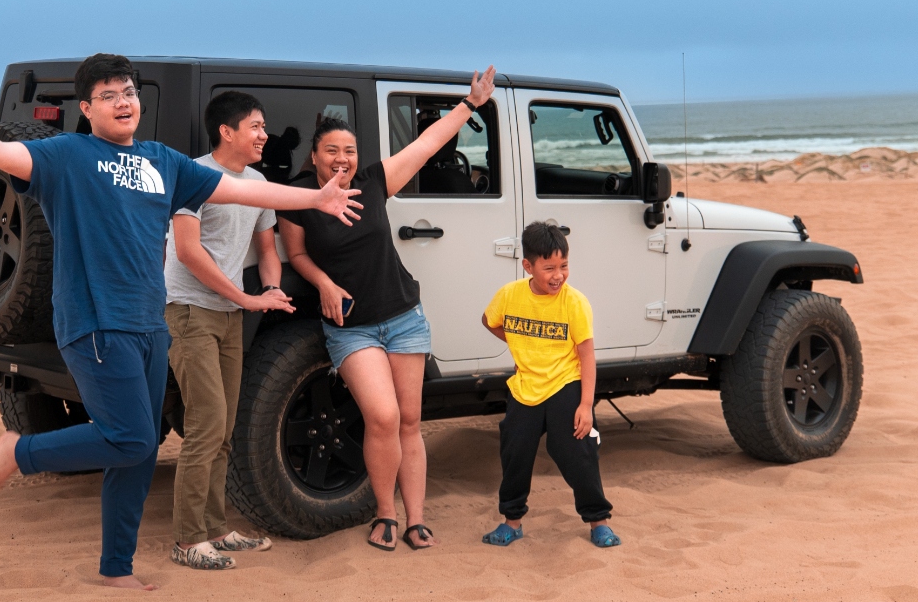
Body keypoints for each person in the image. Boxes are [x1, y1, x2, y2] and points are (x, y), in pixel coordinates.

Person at [0, 54, 362, 590]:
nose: (122, 102)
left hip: (150, 323)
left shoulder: (162, 161)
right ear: (86, 109)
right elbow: (1, 152)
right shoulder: (68, 155)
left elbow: (243, 190)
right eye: (108, 95)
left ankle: (115, 568)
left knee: (139, 451)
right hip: (95, 322)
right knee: (129, 438)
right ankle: (20, 451)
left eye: (128, 92)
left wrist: (316, 197)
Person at [277, 64, 496, 552]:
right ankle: (385, 513)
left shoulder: (374, 181)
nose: (342, 159)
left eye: (349, 151)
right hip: (352, 327)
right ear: (314, 156)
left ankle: (415, 519)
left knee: (410, 420)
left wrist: (471, 104)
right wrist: (323, 282)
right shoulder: (297, 198)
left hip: (402, 317)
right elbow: (296, 254)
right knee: (382, 417)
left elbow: (427, 144)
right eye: (332, 151)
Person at [163, 91, 294, 571]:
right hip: (191, 311)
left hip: (229, 315)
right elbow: (187, 251)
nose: (264, 135)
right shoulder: (194, 176)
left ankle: (216, 529)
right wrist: (244, 297)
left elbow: (267, 249)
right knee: (206, 424)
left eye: (264, 126)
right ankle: (187, 540)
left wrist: (272, 288)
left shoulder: (257, 183)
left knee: (224, 429)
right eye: (255, 126)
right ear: (227, 131)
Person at [479, 220, 619, 549]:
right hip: (524, 387)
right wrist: (520, 344)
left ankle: (599, 521)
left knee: (579, 454)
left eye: (564, 266)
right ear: (528, 266)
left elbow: (587, 356)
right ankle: (512, 523)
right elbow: (489, 320)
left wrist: (586, 405)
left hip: (565, 384)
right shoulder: (510, 295)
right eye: (549, 268)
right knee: (515, 453)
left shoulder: (574, 302)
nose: (558, 275)